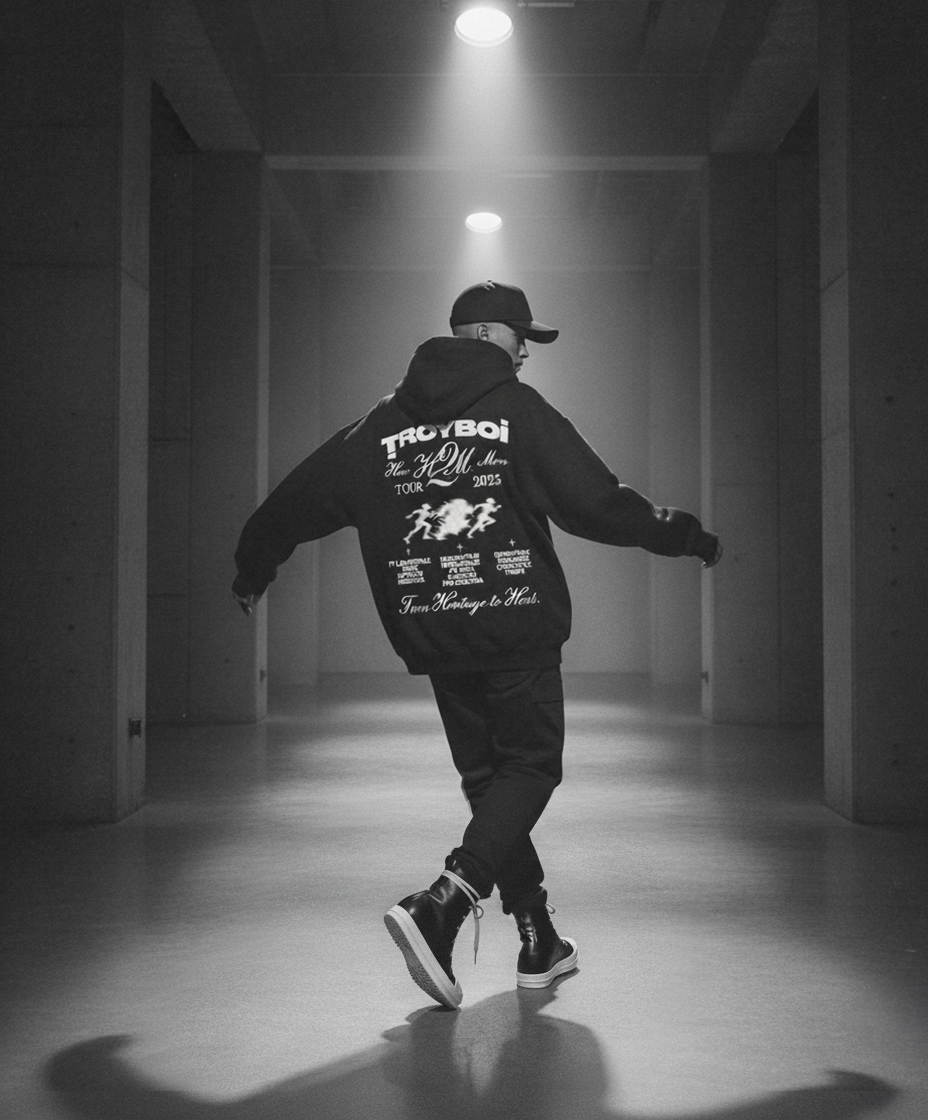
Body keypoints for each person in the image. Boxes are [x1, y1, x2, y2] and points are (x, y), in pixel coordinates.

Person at [232, 280, 722, 1010]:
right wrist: (685, 535)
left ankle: (537, 936)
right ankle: (446, 901)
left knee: (491, 781)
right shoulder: (517, 412)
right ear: (488, 334)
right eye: (522, 337)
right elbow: (595, 502)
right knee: (531, 767)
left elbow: (293, 503)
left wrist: (254, 567)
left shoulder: (378, 427)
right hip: (515, 622)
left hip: (435, 629)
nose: (526, 351)